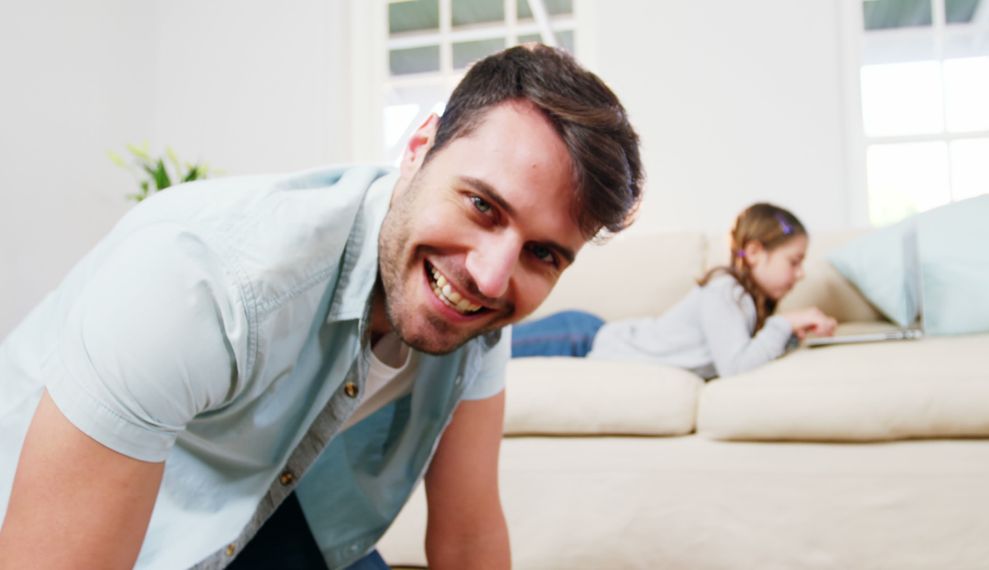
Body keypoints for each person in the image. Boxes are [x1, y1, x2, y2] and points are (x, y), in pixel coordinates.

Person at [0, 44, 643, 570]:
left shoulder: (480, 325)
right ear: (419, 148)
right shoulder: (200, 280)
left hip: (259, 519)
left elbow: (469, 539)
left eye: (543, 254)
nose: (489, 276)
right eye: (481, 205)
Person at [511, 203, 836, 379]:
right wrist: (786, 324)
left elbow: (746, 356)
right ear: (753, 253)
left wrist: (791, 334)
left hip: (589, 336)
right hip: (581, 337)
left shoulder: (746, 302)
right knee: (487, 344)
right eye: (793, 261)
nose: (801, 273)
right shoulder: (726, 291)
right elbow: (736, 368)